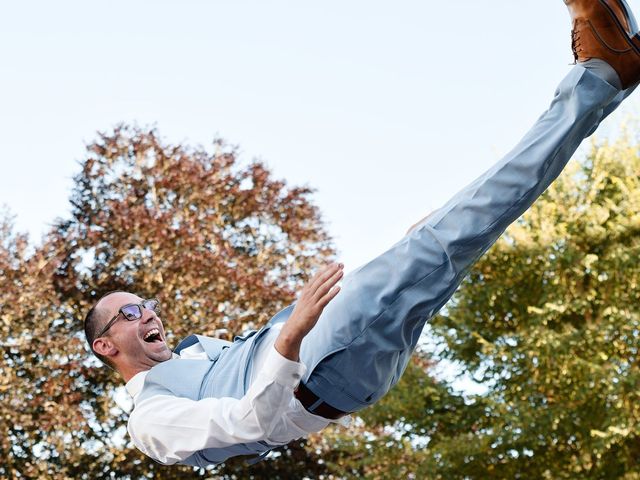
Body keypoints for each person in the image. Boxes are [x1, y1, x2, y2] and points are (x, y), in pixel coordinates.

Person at [84, 0, 640, 468]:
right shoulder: (152, 422)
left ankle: (608, 75)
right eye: (129, 314)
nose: (148, 314)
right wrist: (292, 333)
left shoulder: (190, 358)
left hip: (334, 357)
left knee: (445, 230)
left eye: (145, 304)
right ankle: (603, 73)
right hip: (322, 362)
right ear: (106, 346)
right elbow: (254, 417)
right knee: (452, 234)